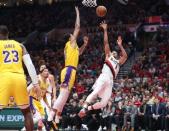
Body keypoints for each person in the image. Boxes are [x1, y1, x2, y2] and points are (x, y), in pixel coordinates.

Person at [46, 6, 89, 130]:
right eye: (72, 35)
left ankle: (57, 118)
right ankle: (50, 117)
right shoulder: (69, 44)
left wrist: (85, 45)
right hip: (69, 70)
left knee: (65, 95)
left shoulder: (73, 48)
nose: (74, 36)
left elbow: (79, 53)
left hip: (70, 71)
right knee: (63, 94)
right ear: (70, 39)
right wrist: (77, 12)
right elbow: (77, 27)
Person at [78, 21, 127, 117]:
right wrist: (105, 30)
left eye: (115, 52)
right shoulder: (109, 56)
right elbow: (106, 43)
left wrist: (120, 45)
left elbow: (125, 56)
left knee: (104, 103)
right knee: (95, 92)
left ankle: (88, 109)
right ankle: (84, 107)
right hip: (104, 76)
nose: (114, 52)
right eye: (113, 52)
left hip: (111, 81)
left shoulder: (118, 62)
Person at [0, 25, 40, 131]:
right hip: (19, 78)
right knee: (26, 111)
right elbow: (30, 65)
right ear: (7, 34)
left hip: (4, 78)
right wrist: (36, 84)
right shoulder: (20, 45)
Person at [24, 65, 51, 131]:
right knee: (38, 118)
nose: (47, 72)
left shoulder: (47, 83)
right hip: (32, 100)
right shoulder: (38, 80)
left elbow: (44, 96)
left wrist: (47, 104)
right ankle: (24, 129)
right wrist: (30, 104)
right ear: (41, 73)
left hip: (39, 102)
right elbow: (29, 91)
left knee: (42, 120)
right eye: (45, 71)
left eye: (48, 71)